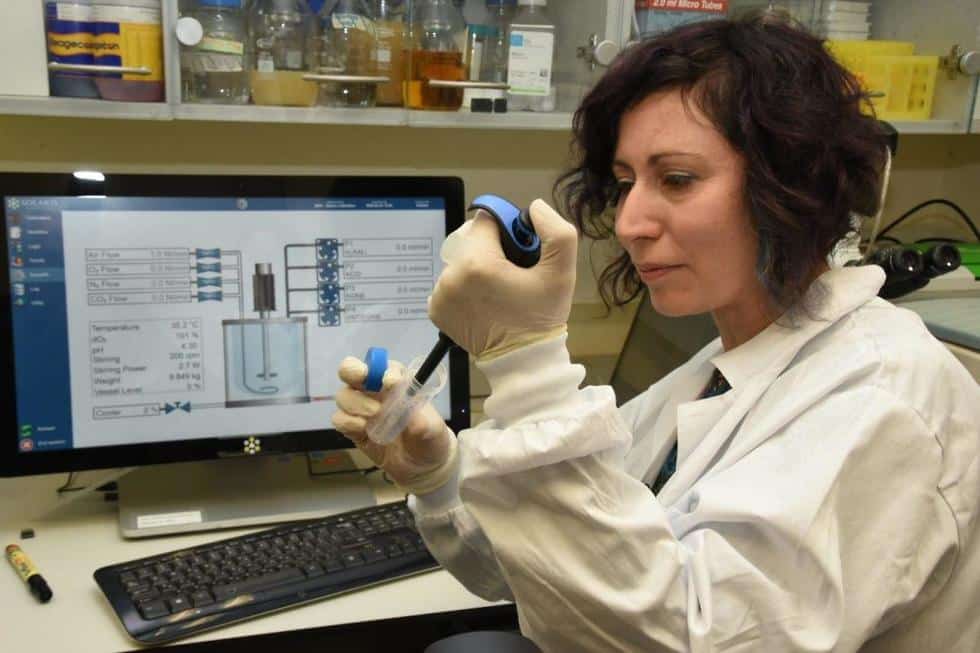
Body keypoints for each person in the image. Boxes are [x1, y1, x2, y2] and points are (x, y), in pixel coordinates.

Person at [331, 13, 980, 653]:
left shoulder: (885, 397)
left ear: (792, 180)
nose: (631, 221)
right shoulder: (726, 364)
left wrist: (529, 368)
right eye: (624, 183)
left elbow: (679, 637)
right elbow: (565, 568)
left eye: (676, 179)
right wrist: (441, 476)